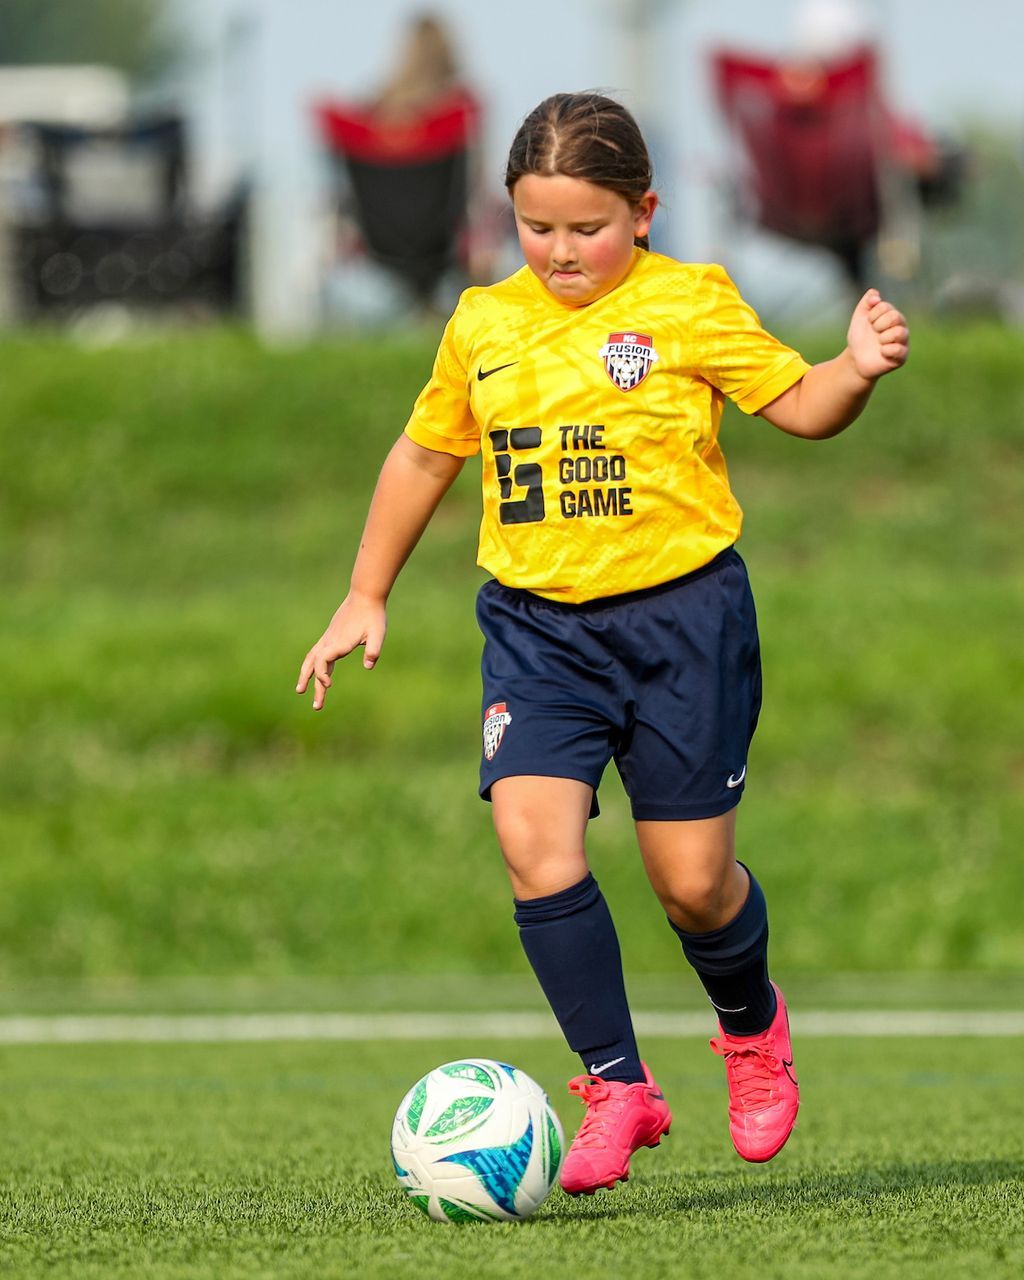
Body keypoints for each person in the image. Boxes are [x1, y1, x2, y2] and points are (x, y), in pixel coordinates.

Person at [297, 92, 909, 1192]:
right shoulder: (483, 321)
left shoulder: (693, 302)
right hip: (536, 629)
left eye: (588, 227)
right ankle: (616, 1082)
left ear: (644, 212)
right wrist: (364, 589)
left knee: (691, 883)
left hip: (683, 624)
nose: (563, 250)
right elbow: (425, 456)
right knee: (536, 844)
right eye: (539, 227)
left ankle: (750, 1025)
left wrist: (854, 367)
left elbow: (803, 405)